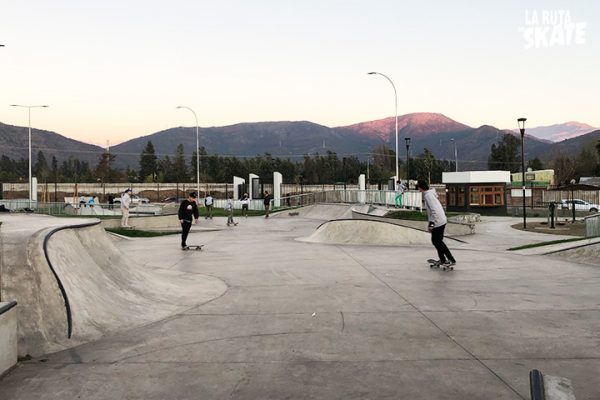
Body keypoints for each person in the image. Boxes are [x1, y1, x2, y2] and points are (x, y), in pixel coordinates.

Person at [416, 180, 456, 267]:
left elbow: (434, 211)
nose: (418, 189)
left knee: (437, 241)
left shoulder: (428, 196)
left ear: (420, 187)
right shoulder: (430, 194)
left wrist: (431, 224)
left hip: (438, 221)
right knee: (437, 241)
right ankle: (443, 259)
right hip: (441, 219)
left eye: (418, 187)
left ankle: (450, 259)